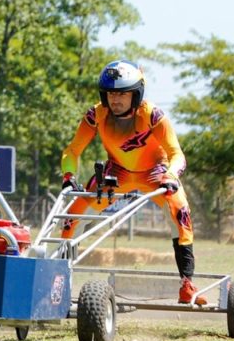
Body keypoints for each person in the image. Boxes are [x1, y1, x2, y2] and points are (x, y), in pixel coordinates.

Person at [59, 60, 206, 305]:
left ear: (136, 94)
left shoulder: (152, 115)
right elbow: (72, 151)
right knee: (73, 214)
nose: (115, 99)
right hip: (117, 173)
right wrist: (68, 176)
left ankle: (187, 284)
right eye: (110, 94)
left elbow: (177, 154)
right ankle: (59, 280)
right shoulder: (96, 114)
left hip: (156, 173)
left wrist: (171, 176)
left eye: (122, 94)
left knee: (180, 212)